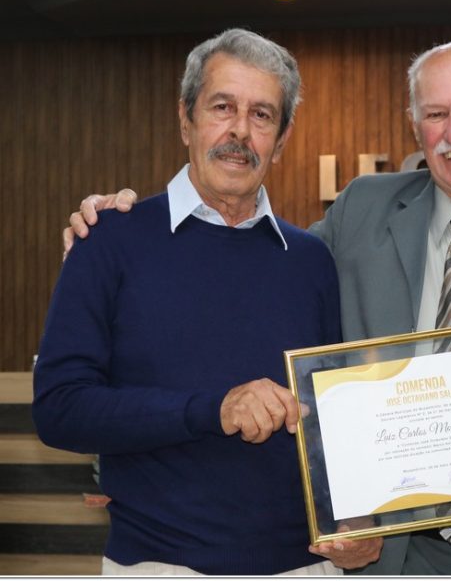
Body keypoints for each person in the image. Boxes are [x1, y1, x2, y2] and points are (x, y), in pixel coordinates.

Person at [63, 36, 451, 575]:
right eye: (435, 114)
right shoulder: (363, 212)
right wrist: (126, 226)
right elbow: (249, 269)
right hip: (395, 556)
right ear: (414, 123)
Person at [34, 28, 382, 576]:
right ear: (186, 119)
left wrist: (360, 522)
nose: (239, 130)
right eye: (222, 107)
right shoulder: (108, 240)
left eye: (262, 115)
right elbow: (60, 410)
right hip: (159, 565)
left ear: (282, 139)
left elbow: (333, 425)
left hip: (304, 568)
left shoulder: (311, 260)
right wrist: (213, 410)